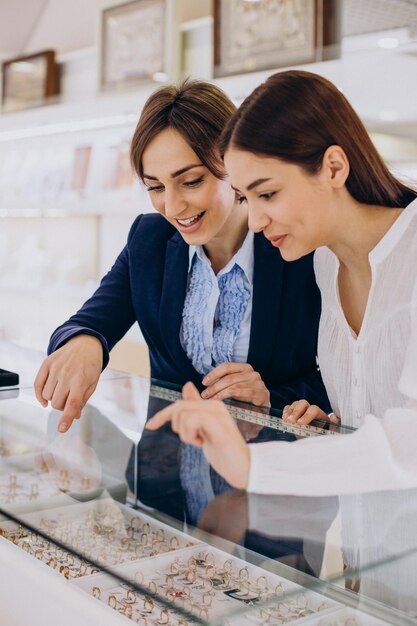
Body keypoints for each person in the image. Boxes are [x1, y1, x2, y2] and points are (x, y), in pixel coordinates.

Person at [147, 70, 417, 496]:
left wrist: (251, 465)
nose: (255, 221)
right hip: (364, 557)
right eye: (245, 197)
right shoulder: (326, 263)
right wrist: (330, 424)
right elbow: (373, 422)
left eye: (267, 194)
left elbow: (410, 444)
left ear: (333, 167)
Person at [34, 79, 328, 434]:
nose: (171, 207)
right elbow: (86, 323)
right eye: (155, 187)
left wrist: (270, 400)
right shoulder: (149, 239)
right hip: (167, 476)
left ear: (233, 164)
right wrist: (85, 342)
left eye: (190, 181)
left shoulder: (296, 247)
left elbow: (339, 387)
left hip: (272, 474)